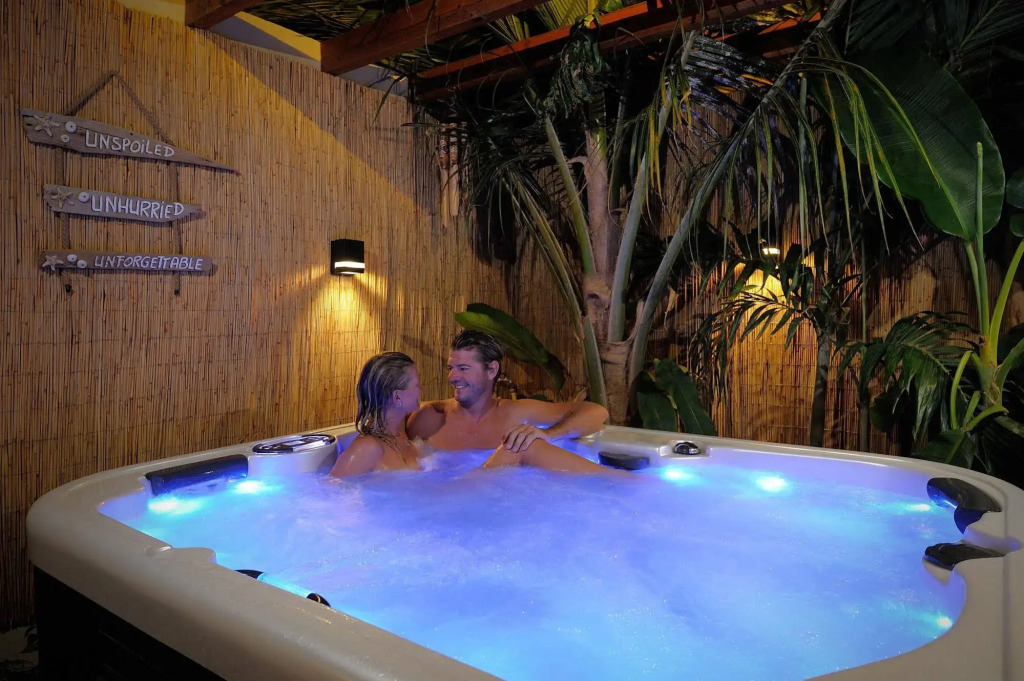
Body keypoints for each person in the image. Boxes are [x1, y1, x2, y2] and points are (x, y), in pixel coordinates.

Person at [406, 330, 611, 474]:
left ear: (492, 370)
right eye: (451, 368)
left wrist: (550, 434)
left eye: (463, 369)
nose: (452, 377)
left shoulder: (516, 413)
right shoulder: (429, 417)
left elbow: (596, 412)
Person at [330, 352, 423, 477]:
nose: (420, 389)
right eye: (417, 385)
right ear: (397, 397)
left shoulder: (400, 437)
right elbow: (332, 487)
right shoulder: (367, 448)